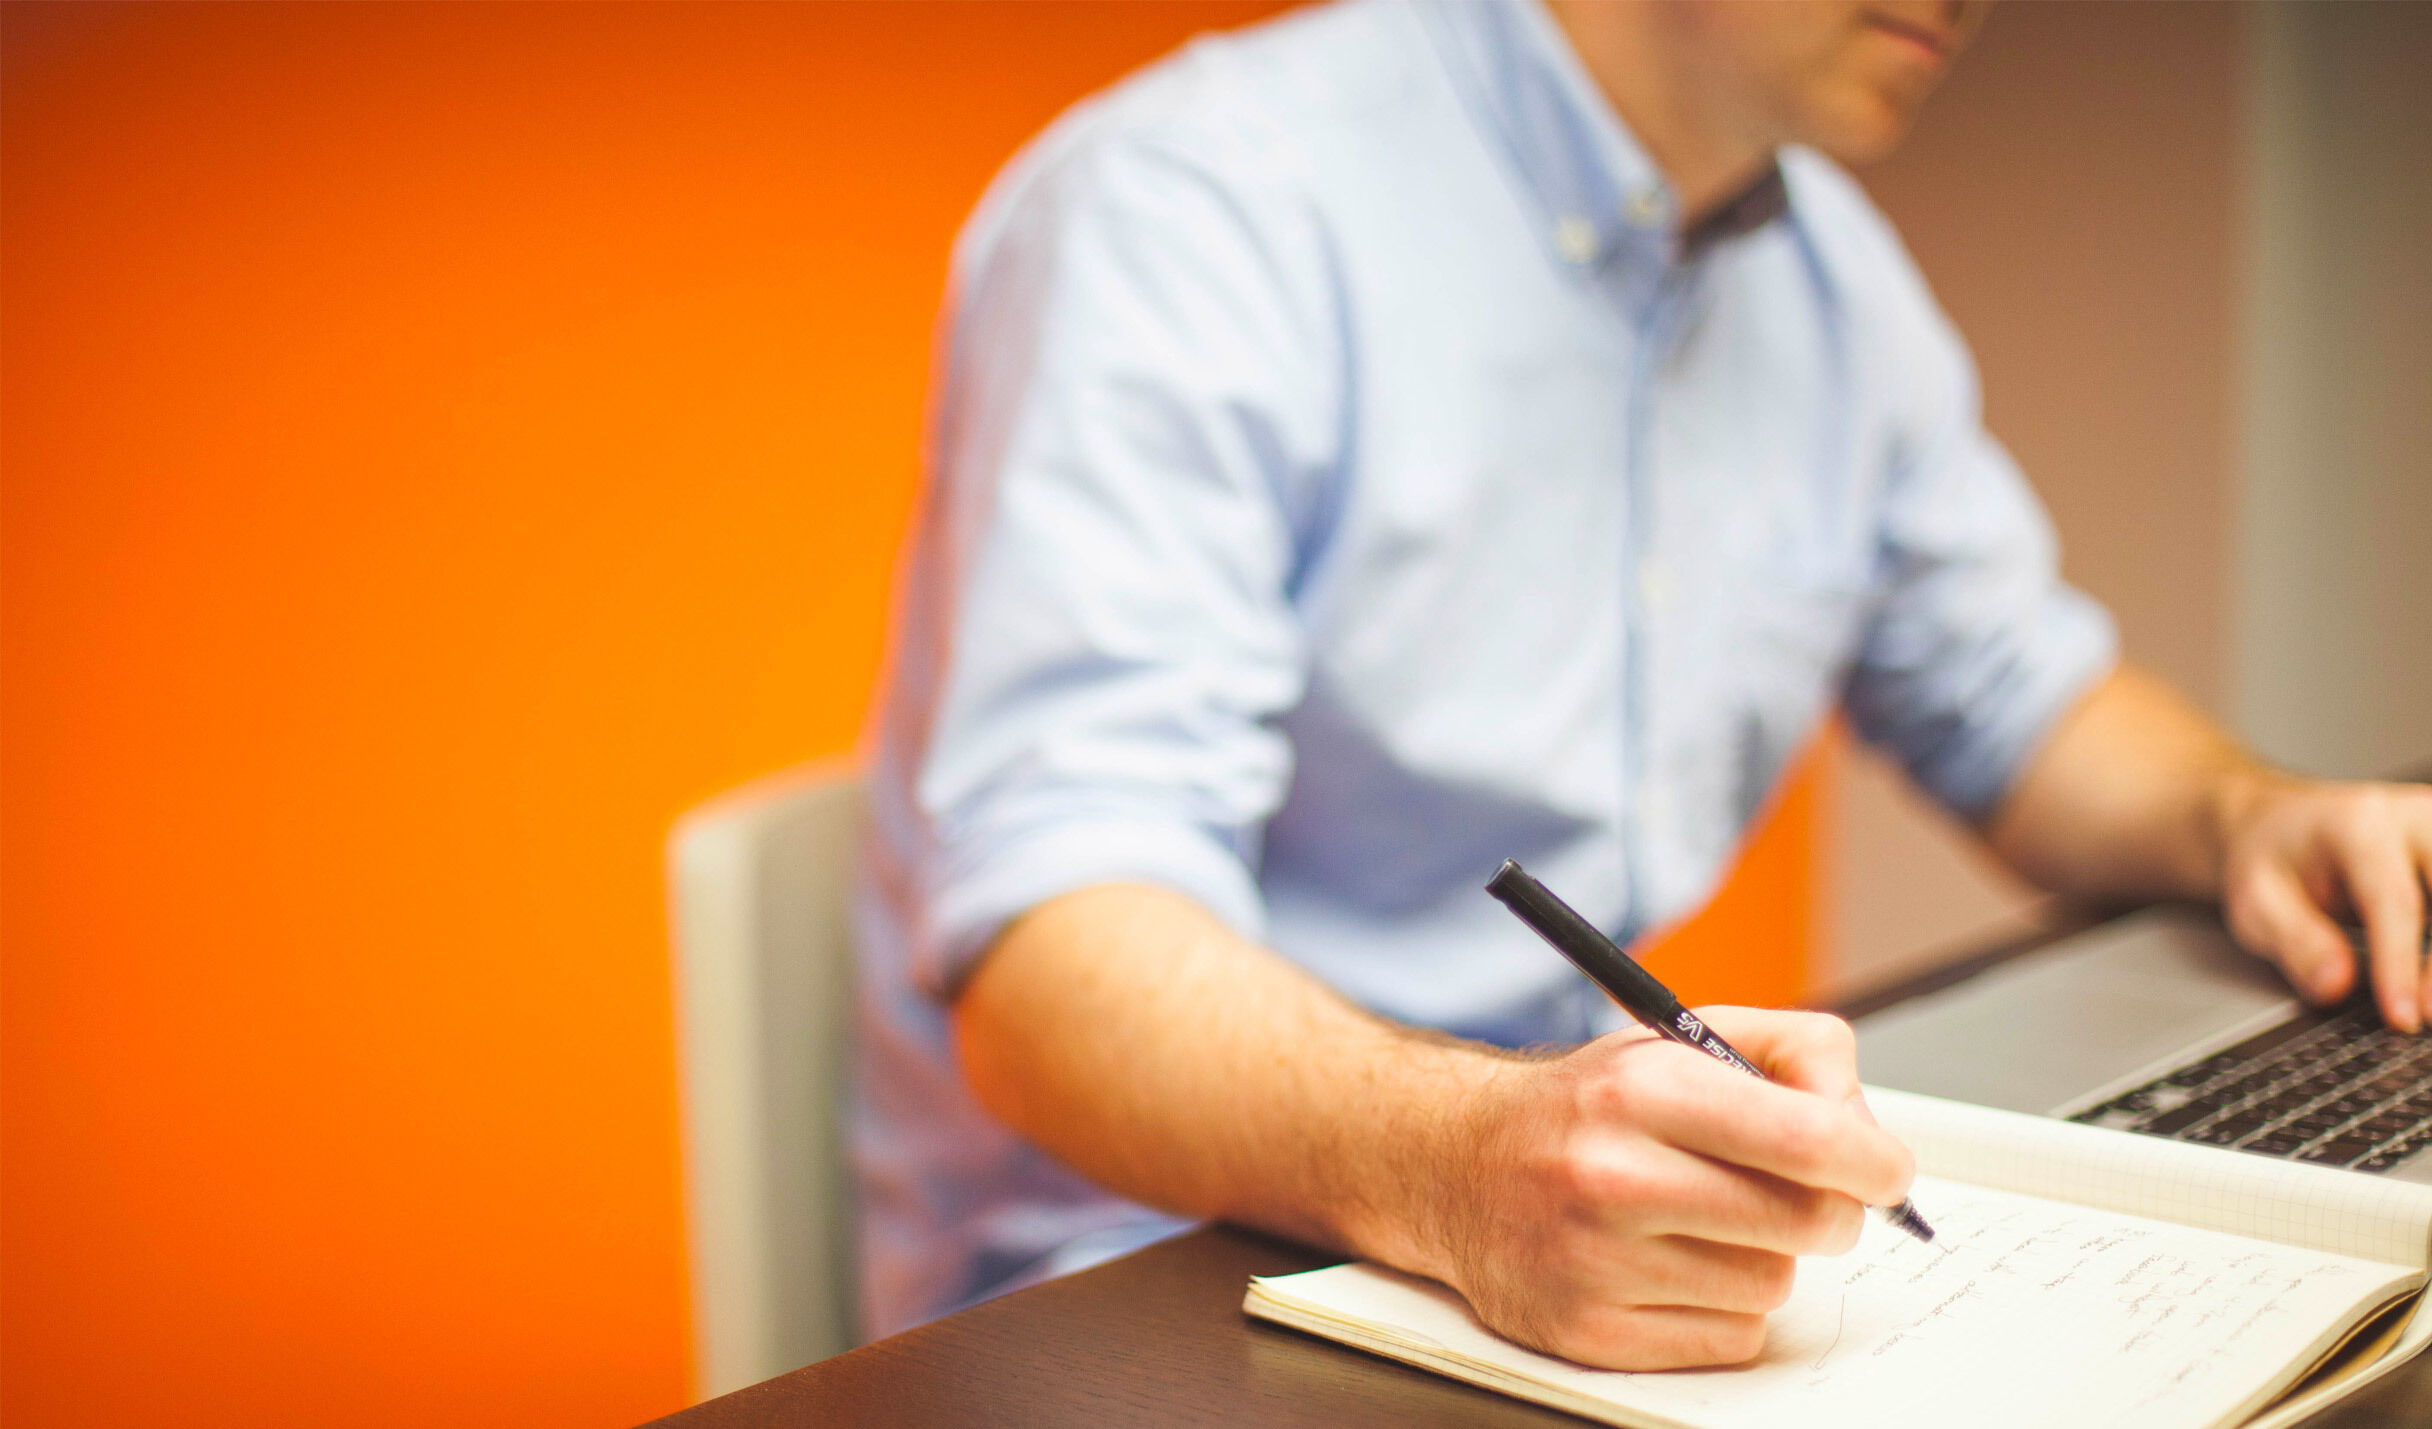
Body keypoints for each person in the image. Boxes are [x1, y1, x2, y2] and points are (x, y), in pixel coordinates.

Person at [851, 0, 2432, 1366]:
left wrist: (2246, 816)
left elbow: (2014, 694)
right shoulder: (1195, 211)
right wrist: (1461, 1165)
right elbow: (1052, 971)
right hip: (1149, 1290)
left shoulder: (1825, 281)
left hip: (1546, 1231)